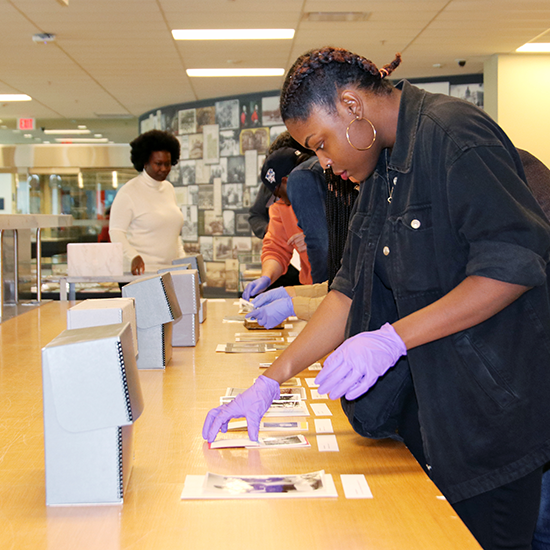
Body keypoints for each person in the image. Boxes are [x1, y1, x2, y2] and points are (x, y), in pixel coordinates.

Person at [204, 46, 550, 550]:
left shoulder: (453, 135)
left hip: (489, 424)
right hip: (433, 416)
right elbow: (348, 290)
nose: (324, 163)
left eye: (321, 144)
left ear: (351, 106)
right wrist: (271, 379)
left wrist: (391, 339)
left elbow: (512, 266)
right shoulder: (382, 169)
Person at [109, 130, 185, 275]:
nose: (163, 169)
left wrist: (182, 259)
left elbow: (174, 233)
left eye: (168, 164)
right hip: (141, 273)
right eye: (158, 164)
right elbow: (116, 232)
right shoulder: (128, 192)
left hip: (170, 271)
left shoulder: (169, 189)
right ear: (145, 162)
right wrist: (133, 256)